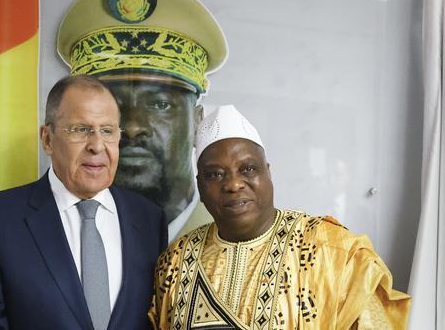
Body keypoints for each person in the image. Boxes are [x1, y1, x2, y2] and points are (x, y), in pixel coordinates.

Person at [149, 105, 411, 329]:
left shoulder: (335, 253)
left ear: (268, 173)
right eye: (215, 174)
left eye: (248, 169)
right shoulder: (176, 261)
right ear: (200, 186)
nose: (233, 184)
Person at [0, 76, 167, 330]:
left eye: (108, 131)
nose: (97, 146)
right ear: (47, 139)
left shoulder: (149, 219)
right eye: (81, 130)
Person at [56, 0, 228, 241]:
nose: (134, 126)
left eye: (160, 104)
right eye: (111, 106)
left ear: (197, 122)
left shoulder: (245, 248)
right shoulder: (43, 236)